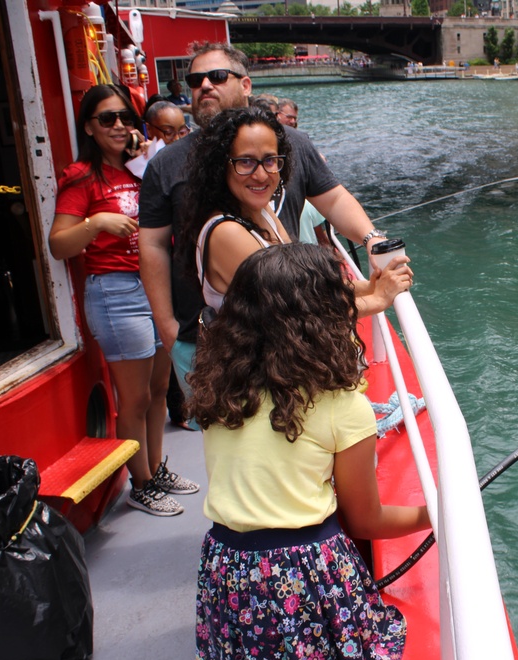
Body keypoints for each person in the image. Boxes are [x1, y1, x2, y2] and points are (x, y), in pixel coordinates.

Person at [187, 243, 430, 660]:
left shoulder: (220, 390)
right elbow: (364, 520)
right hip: (303, 575)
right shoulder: (342, 406)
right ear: (326, 320)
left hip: (226, 566)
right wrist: (436, 514)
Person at [139, 41, 394, 401]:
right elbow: (152, 245)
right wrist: (167, 328)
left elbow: (333, 200)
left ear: (245, 85)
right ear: (221, 167)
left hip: (274, 348)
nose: (260, 174)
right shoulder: (177, 177)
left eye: (216, 76)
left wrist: (372, 243)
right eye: (195, 80)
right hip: (224, 342)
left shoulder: (268, 200)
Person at [48, 84, 198, 517]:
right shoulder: (81, 177)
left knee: (156, 390)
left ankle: (154, 467)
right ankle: (142, 483)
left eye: (126, 118)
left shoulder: (141, 169)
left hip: (155, 286)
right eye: (107, 119)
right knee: (132, 398)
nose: (119, 126)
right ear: (89, 128)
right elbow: (59, 244)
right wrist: (96, 222)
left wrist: (147, 153)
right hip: (116, 293)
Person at [180, 107, 411, 314]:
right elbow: (303, 310)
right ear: (221, 167)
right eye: (246, 162)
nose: (261, 175)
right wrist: (378, 298)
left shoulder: (261, 213)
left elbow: (302, 285)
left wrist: (370, 286)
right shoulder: (228, 233)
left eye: (269, 160)